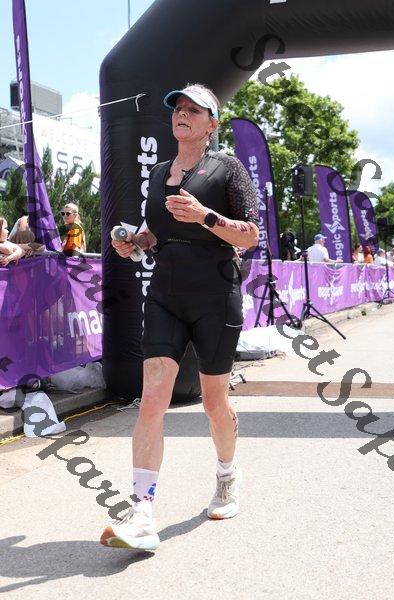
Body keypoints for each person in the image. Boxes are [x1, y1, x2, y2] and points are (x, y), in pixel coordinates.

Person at [101, 83, 259, 551]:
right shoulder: (158, 173)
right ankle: (142, 511)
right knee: (152, 398)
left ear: (211, 124)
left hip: (215, 295)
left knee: (214, 403)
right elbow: (156, 231)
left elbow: (251, 235)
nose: (182, 114)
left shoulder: (228, 169)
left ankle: (227, 475)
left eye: (194, 110)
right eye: (178, 108)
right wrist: (135, 242)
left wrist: (205, 216)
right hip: (165, 294)